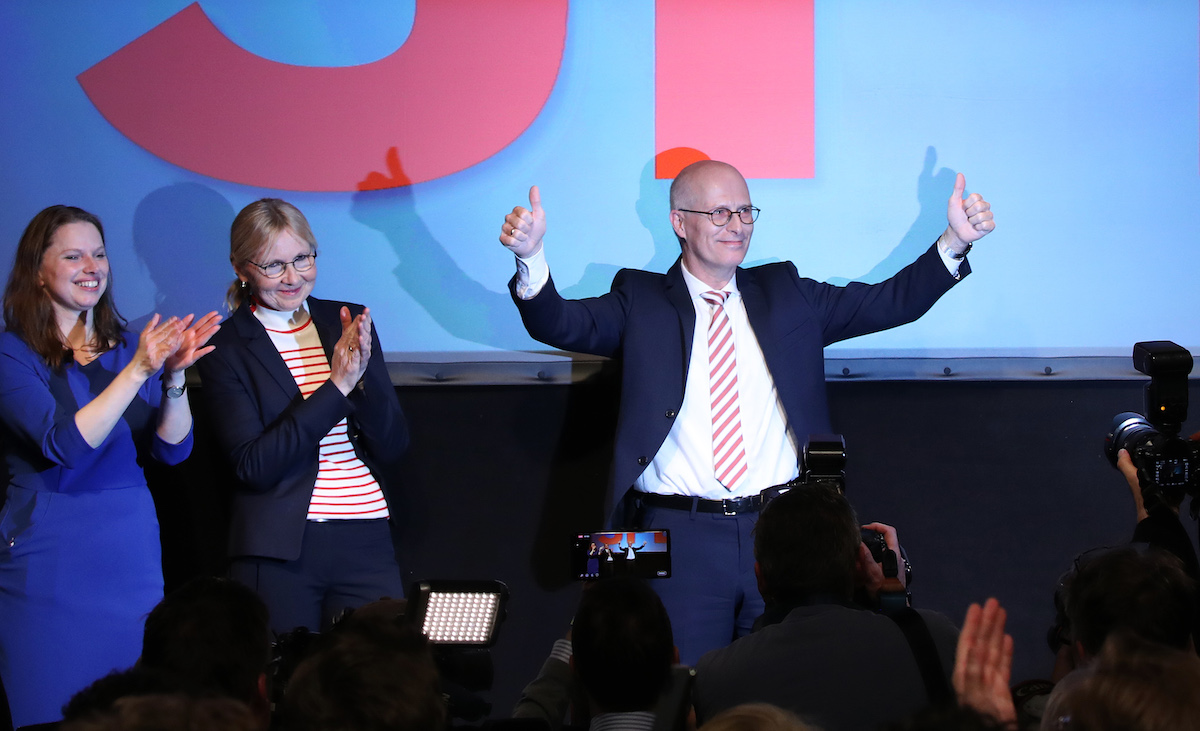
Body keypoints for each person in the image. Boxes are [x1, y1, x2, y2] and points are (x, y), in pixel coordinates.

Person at [499, 160, 994, 662]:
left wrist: (953, 242)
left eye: (745, 211)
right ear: (679, 222)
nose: (736, 226)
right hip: (674, 536)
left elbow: (888, 303)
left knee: (783, 688)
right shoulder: (640, 300)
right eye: (718, 213)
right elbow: (559, 323)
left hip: (782, 532)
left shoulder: (787, 293)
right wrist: (531, 255)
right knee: (682, 688)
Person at [0, 205, 220, 727]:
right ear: (37, 269)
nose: (91, 266)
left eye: (98, 254)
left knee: (131, 712)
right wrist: (140, 368)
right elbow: (66, 446)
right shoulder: (12, 354)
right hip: (50, 557)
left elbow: (172, 449)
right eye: (73, 255)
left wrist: (172, 376)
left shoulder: (127, 348)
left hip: (129, 552)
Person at [197, 198, 409, 635]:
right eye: (274, 266)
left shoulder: (346, 320)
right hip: (280, 548)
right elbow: (254, 465)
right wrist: (336, 387)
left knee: (380, 683)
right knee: (286, 690)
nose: (293, 277)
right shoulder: (227, 345)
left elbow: (392, 443)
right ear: (242, 268)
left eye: (302, 258)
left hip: (366, 533)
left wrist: (363, 378)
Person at [691, 486, 959, 730]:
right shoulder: (936, 637)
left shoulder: (716, 676)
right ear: (860, 565)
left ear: (760, 577)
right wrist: (894, 597)